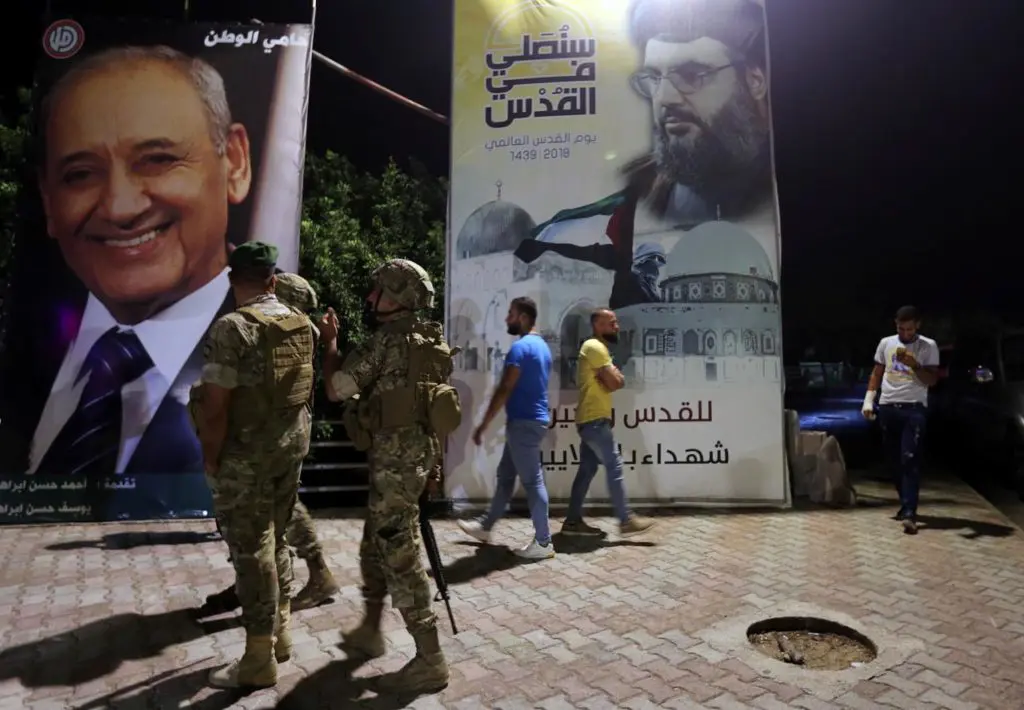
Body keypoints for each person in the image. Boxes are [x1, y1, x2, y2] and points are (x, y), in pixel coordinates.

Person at [0, 45, 253, 509]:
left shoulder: (265, 342)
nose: (119, 207)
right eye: (80, 174)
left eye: (157, 159)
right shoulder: (24, 347)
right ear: (49, 200)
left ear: (234, 162)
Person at [319, 259, 455, 694]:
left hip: (396, 467)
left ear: (398, 299)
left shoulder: (386, 342)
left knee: (400, 555)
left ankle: (430, 658)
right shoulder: (431, 341)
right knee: (374, 546)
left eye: (379, 291)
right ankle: (371, 629)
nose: (370, 298)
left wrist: (331, 346)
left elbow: (336, 388)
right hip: (414, 460)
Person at [199, 242, 315, 688]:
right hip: (290, 449)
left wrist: (211, 457)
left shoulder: (232, 329)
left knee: (252, 554)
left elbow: (214, 407)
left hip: (246, 458)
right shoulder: (299, 321)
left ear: (233, 282)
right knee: (278, 538)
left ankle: (257, 657)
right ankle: (282, 633)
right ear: (272, 280)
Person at [195, 272, 339, 617]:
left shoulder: (281, 331)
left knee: (266, 519)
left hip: (267, 439)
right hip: (283, 437)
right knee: (271, 515)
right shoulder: (297, 331)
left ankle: (281, 594)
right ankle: (256, 585)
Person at [458, 296, 556, 560]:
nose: (506, 318)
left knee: (534, 482)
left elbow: (504, 389)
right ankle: (486, 527)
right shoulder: (543, 347)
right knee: (505, 478)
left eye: (511, 313)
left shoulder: (520, 349)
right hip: (530, 422)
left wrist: (483, 425)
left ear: (523, 317)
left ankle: (544, 542)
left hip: (523, 424)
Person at [562, 309, 658, 537]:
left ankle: (572, 523)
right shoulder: (595, 348)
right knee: (614, 466)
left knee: (586, 471)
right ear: (598, 325)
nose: (617, 327)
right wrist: (612, 376)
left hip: (592, 419)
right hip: (594, 420)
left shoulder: (598, 349)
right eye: (611, 323)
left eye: (616, 323)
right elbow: (616, 382)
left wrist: (611, 376)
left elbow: (615, 381)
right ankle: (625, 521)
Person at [862, 305, 940, 535]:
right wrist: (868, 400)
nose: (905, 333)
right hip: (887, 406)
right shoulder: (886, 343)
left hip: (914, 409)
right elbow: (877, 372)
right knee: (893, 460)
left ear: (918, 325)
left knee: (910, 458)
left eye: (909, 328)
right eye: (901, 328)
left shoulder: (928, 346)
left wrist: (914, 364)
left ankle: (909, 512)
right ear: (895, 324)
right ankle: (905, 502)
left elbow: (931, 380)